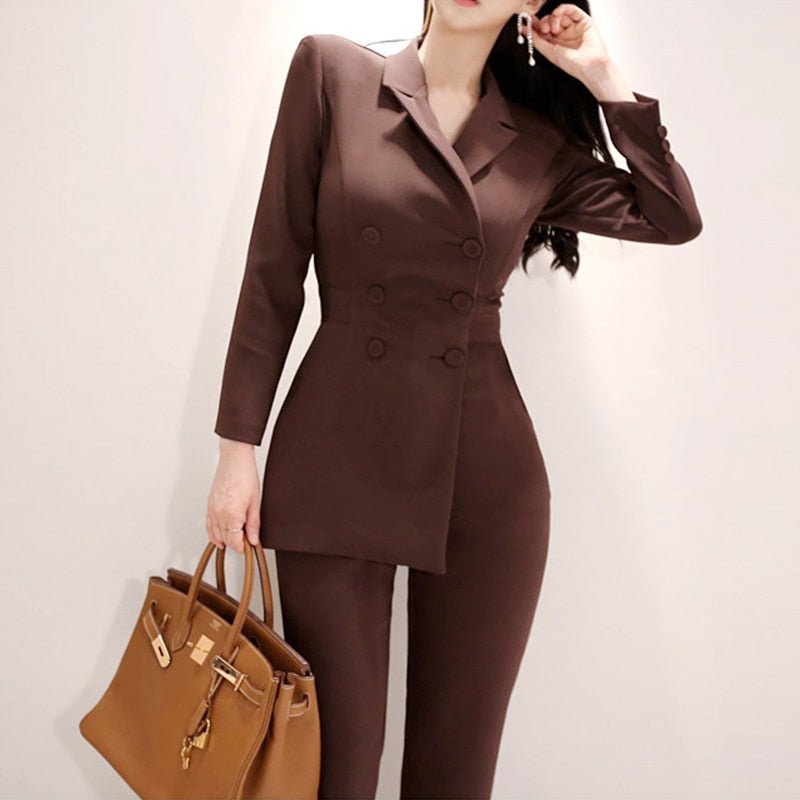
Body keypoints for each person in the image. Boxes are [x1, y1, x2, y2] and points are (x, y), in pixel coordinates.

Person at [206, 1, 702, 797]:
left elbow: (671, 216)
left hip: (487, 478)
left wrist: (605, 77)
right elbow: (273, 269)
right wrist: (238, 452)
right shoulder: (333, 73)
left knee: (455, 776)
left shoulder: (538, 142)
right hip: (337, 454)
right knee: (335, 771)